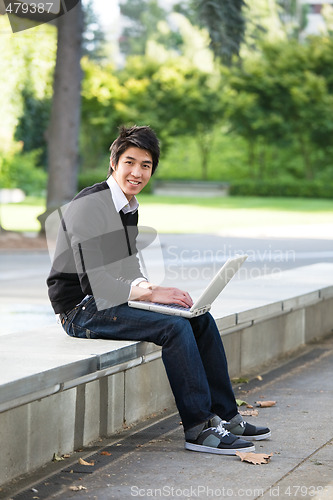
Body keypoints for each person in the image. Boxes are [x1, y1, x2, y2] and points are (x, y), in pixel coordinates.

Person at [47, 125, 271, 455]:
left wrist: (155, 289)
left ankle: (227, 416)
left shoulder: (127, 205)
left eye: (146, 165)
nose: (137, 172)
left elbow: (127, 270)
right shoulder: (90, 206)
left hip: (105, 299)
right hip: (80, 309)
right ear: (114, 163)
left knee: (198, 319)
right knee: (174, 327)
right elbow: (95, 283)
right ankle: (198, 427)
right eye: (130, 162)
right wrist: (152, 297)